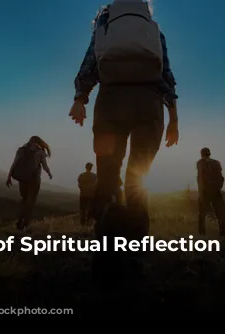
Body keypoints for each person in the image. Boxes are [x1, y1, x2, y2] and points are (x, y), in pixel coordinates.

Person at [69, 0, 179, 285]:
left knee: (108, 176)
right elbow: (166, 74)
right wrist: (174, 118)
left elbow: (89, 65)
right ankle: (136, 255)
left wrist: (80, 99)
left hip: (110, 104)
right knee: (137, 178)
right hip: (149, 106)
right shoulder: (154, 31)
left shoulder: (105, 28)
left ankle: (106, 257)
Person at [6, 136, 53, 231]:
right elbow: (44, 166)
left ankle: (19, 221)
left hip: (23, 179)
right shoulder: (40, 152)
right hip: (34, 180)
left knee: (24, 200)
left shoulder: (21, 150)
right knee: (31, 202)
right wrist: (49, 173)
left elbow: (14, 164)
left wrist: (9, 177)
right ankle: (26, 224)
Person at [197, 147, 225, 237]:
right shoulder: (216, 163)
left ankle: (201, 235)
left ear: (201, 154)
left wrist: (200, 194)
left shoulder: (200, 163)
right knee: (220, 214)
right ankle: (224, 235)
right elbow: (221, 177)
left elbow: (200, 178)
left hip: (205, 191)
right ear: (209, 153)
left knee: (202, 214)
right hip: (216, 191)